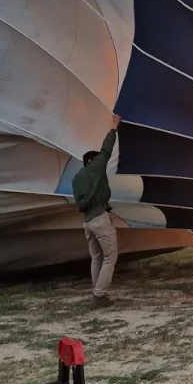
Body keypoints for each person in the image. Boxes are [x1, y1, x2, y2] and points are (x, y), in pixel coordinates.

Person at [72, 113, 121, 305]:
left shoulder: (77, 178)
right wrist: (114, 126)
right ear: (92, 162)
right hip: (100, 218)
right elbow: (106, 149)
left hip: (87, 222)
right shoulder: (95, 168)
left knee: (96, 258)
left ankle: (98, 291)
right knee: (110, 256)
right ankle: (99, 296)